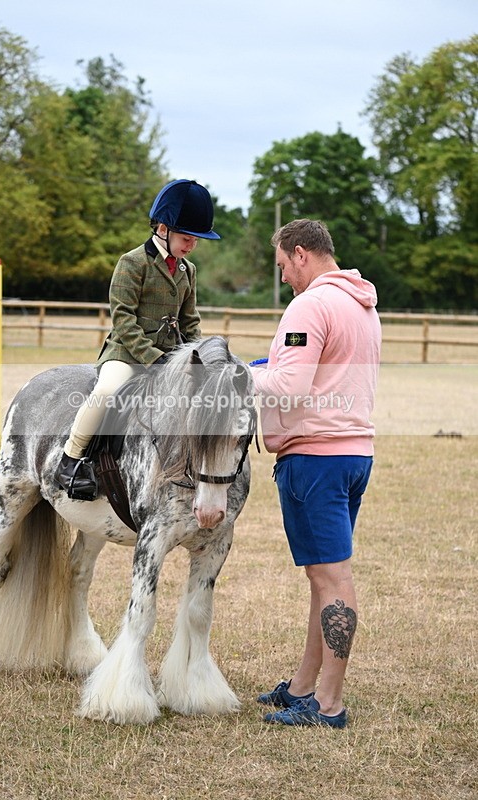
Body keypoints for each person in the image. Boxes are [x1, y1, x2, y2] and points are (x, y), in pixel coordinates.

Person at [251, 218, 381, 728]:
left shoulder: (309, 305)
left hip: (316, 459)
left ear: (300, 253)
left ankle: (328, 704)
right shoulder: (362, 304)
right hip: (352, 454)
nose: (283, 277)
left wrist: (241, 373)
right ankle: (304, 686)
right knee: (322, 577)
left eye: (283, 265)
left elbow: (289, 386)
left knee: (333, 579)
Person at [56, 179, 220, 499]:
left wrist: (197, 356)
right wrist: (154, 358)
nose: (191, 246)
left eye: (195, 241)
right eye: (187, 238)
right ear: (163, 228)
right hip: (127, 353)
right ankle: (71, 459)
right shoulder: (132, 262)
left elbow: (190, 320)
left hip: (170, 356)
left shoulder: (188, 270)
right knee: (107, 390)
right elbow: (124, 321)